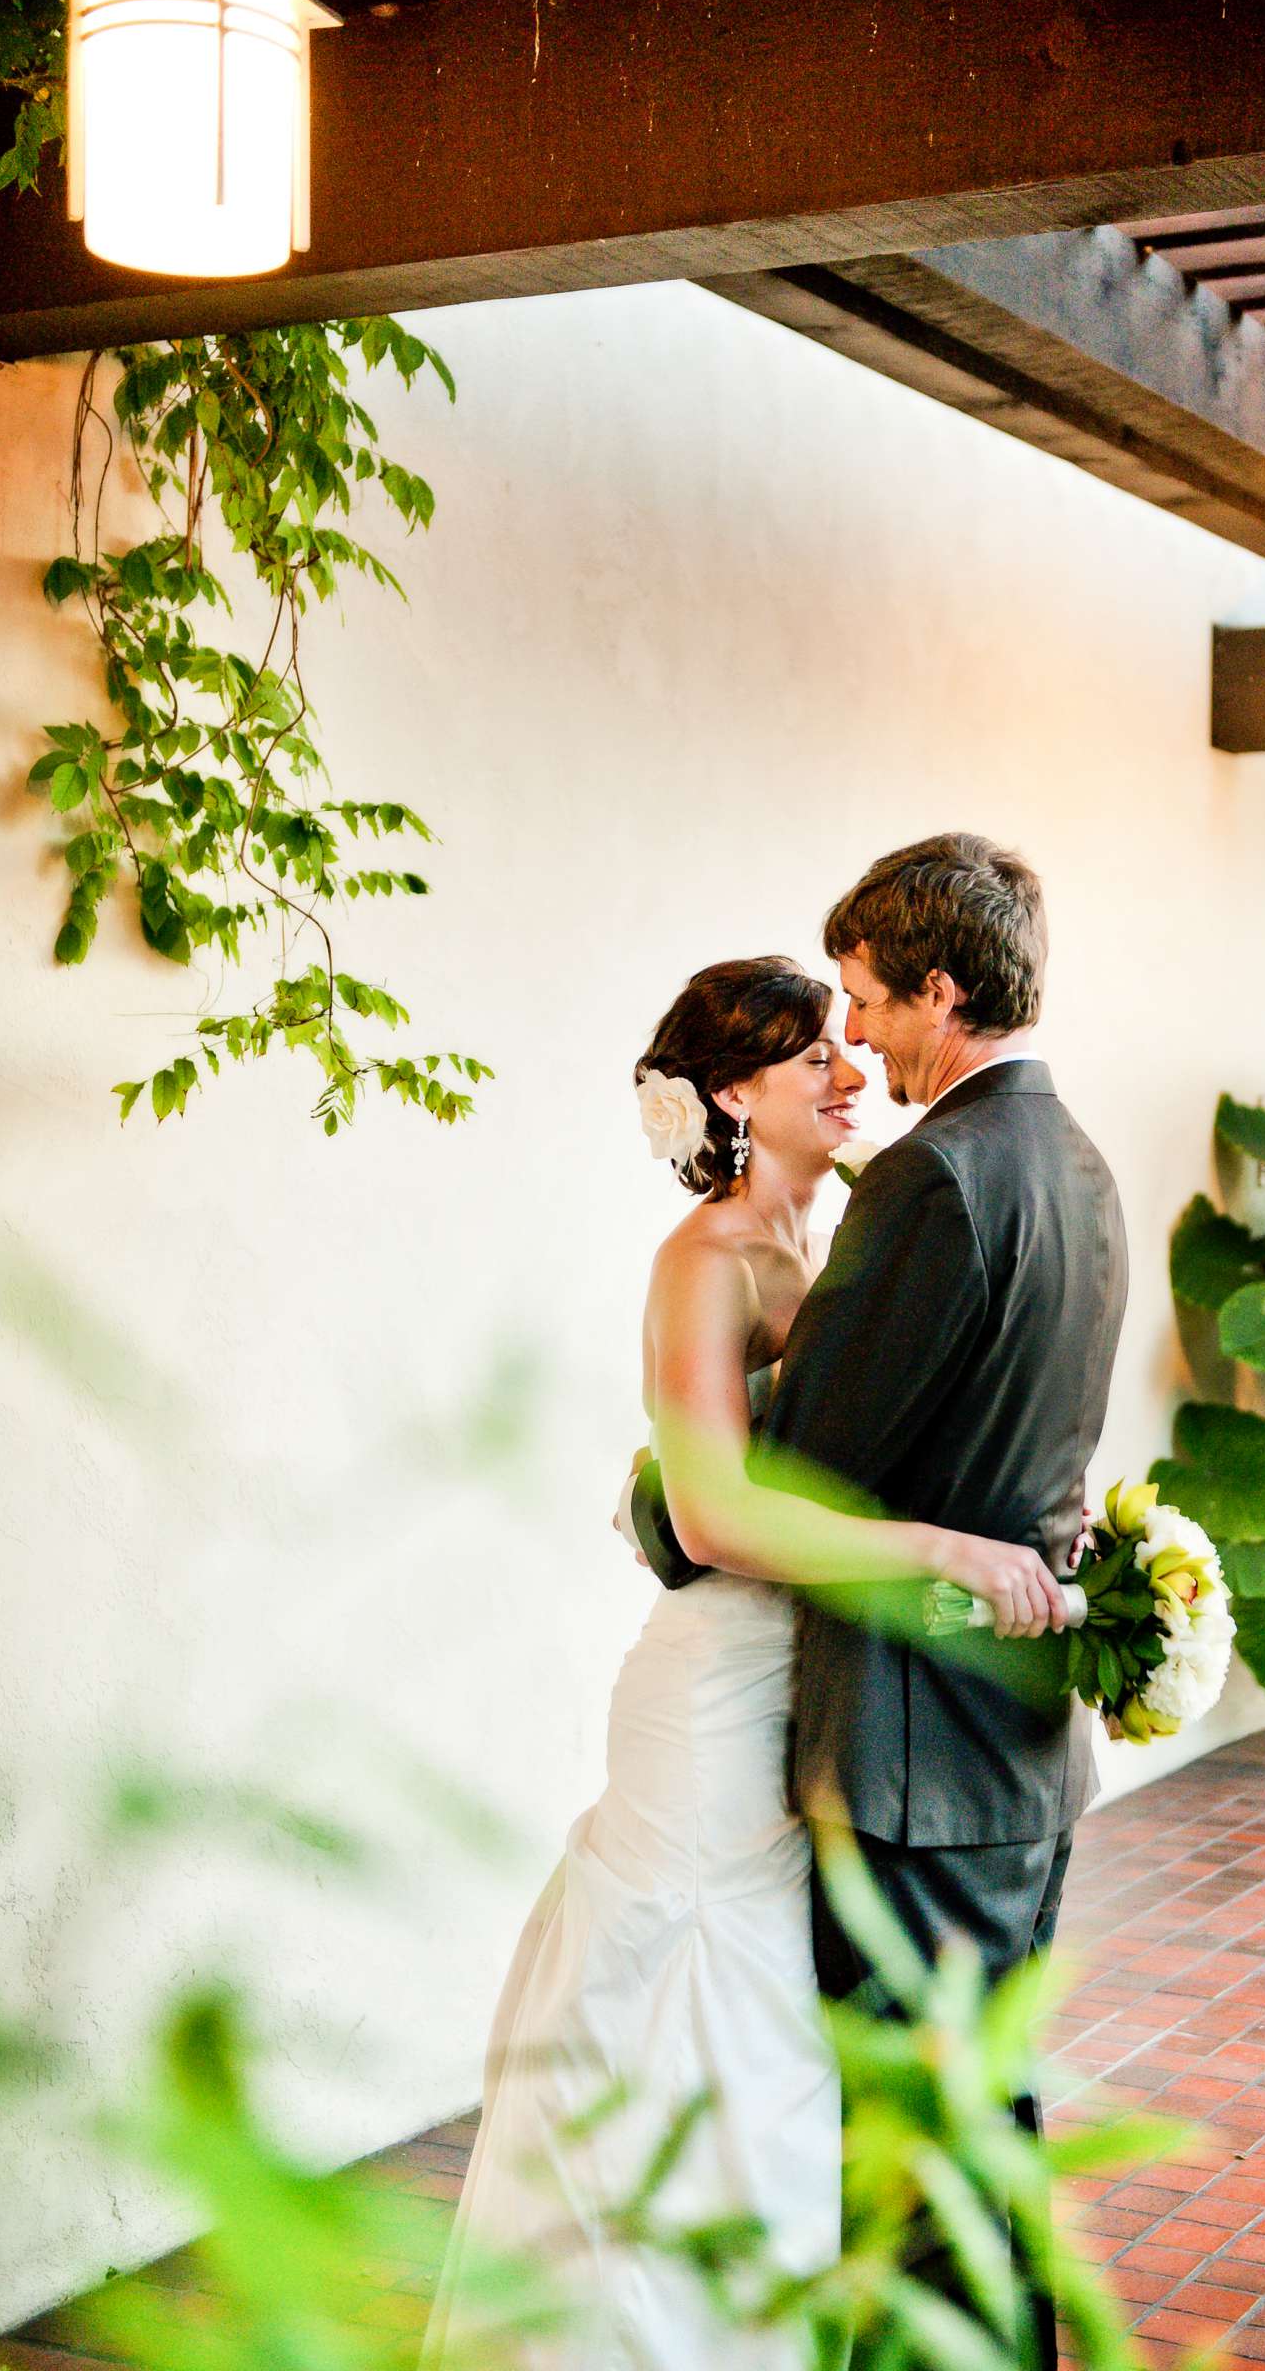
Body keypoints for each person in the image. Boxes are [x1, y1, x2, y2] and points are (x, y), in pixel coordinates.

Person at [423, 944, 1074, 2371]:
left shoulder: (849, 1235)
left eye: (852, 1045)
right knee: (679, 2005)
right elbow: (713, 1516)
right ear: (732, 1094)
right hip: (715, 1697)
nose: (850, 1071)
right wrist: (945, 1555)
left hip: (827, 1691)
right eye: (811, 1060)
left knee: (775, 2032)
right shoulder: (700, 1264)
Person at [630, 835, 1129, 2368]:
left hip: (918, 1746)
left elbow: (809, 1460)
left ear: (942, 988)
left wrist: (659, 1497)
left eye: (868, 1005)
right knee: (980, 2121)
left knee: (920, 2156)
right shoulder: (1080, 1163)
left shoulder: (933, 1176)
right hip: (1016, 1735)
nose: (859, 1044)